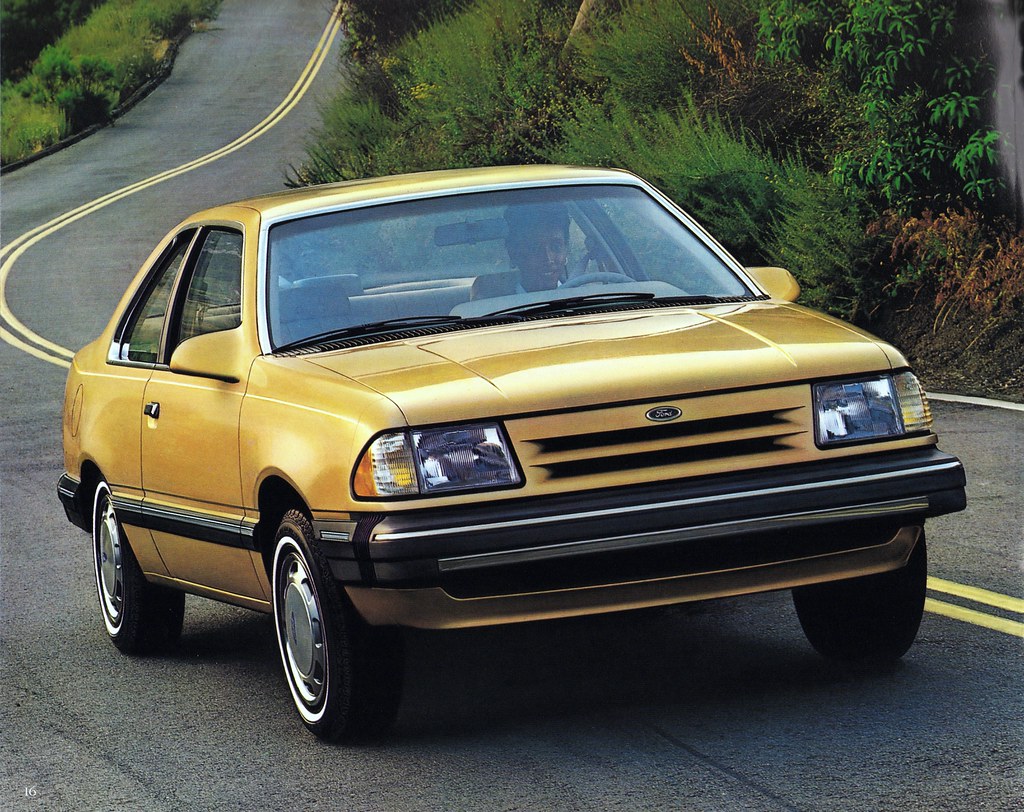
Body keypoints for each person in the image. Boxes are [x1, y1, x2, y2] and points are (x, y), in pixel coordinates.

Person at [504, 203, 570, 292]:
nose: (548, 259)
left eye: (556, 247)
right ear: (514, 254)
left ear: (566, 250)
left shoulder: (585, 295)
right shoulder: (498, 304)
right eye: (535, 249)